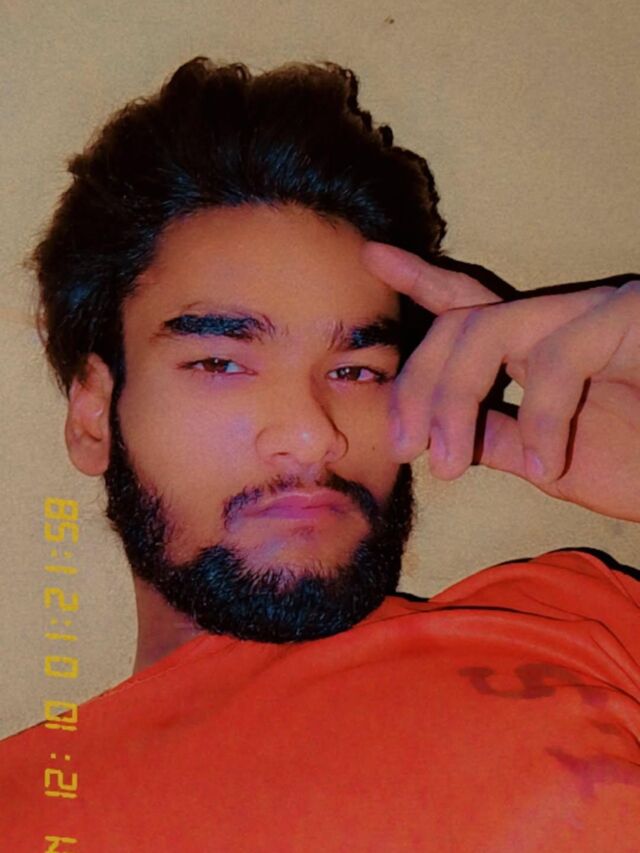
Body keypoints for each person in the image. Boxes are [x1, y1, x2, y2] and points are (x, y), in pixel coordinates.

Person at [1, 56, 639, 852]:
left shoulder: (576, 620)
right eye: (221, 362)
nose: (312, 432)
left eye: (356, 370)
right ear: (94, 415)